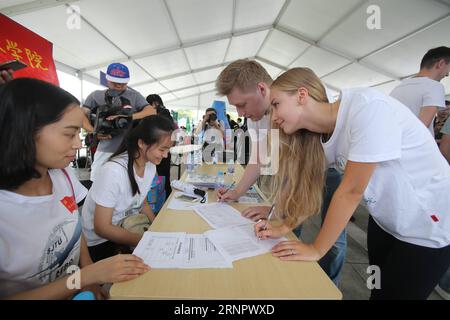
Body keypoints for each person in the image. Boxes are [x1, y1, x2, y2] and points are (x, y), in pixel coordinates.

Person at [257, 67, 450, 300]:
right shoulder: (317, 137)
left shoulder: (366, 107)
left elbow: (351, 191)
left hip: (427, 224)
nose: (273, 116)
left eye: (276, 104)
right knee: (378, 292)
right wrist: (284, 226)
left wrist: (316, 248)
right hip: (386, 220)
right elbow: (308, 187)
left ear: (301, 94)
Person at [0, 78, 150, 299]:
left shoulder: (63, 175)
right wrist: (85, 277)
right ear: (25, 131)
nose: (79, 144)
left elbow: (73, 227)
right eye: (70, 134)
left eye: (79, 134)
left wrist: (88, 279)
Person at [215, 59, 347, 285]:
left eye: (242, 104)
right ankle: (298, 277)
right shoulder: (262, 118)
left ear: (262, 89)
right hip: (303, 173)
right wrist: (239, 193)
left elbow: (303, 172)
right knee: (290, 229)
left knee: (333, 238)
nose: (240, 113)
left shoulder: (293, 113)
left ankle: (327, 285)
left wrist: (282, 214)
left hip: (334, 171)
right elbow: (264, 160)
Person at [81, 115, 174, 262]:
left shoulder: (150, 166)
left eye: (168, 149)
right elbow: (102, 227)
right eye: (162, 149)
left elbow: (142, 202)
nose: (166, 155)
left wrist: (156, 228)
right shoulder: (113, 171)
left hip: (125, 227)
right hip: (99, 243)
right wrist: (143, 241)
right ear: (142, 143)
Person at [82, 63, 156, 181]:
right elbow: (80, 115)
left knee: (126, 182)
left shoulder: (134, 96)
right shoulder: (96, 96)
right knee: (98, 180)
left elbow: (151, 111)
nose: (119, 85)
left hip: (129, 149)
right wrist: (93, 130)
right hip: (104, 149)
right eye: (115, 82)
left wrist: (128, 118)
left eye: (122, 83)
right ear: (107, 79)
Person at [390, 46, 450, 135]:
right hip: (416, 147)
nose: (447, 74)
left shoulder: (398, 87)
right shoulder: (435, 86)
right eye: (448, 69)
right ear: (441, 64)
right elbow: (420, 129)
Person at [146, 94, 176, 196]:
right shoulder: (166, 114)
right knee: (162, 176)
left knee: (161, 176)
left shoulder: (161, 114)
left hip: (160, 149)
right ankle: (164, 196)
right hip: (162, 149)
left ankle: (164, 196)